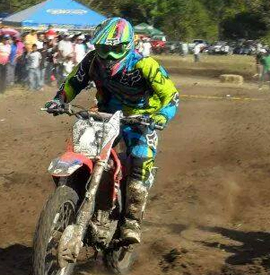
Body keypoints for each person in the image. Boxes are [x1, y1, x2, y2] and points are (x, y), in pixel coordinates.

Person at [44, 18, 179, 244]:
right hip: (104, 115)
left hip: (140, 119)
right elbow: (74, 82)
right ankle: (75, 197)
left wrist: (161, 116)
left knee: (140, 160)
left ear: (128, 45)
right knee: (82, 148)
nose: (108, 56)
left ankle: (131, 221)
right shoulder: (92, 61)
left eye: (115, 49)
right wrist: (60, 99)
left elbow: (171, 96)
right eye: (103, 49)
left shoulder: (144, 65)